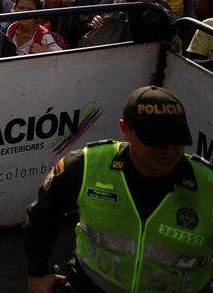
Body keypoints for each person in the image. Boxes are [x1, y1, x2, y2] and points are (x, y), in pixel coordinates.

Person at [23, 85, 212, 293]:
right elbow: (42, 216)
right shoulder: (86, 166)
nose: (167, 149)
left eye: (176, 139)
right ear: (125, 130)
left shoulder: (208, 185)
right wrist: (37, 274)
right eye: (155, 139)